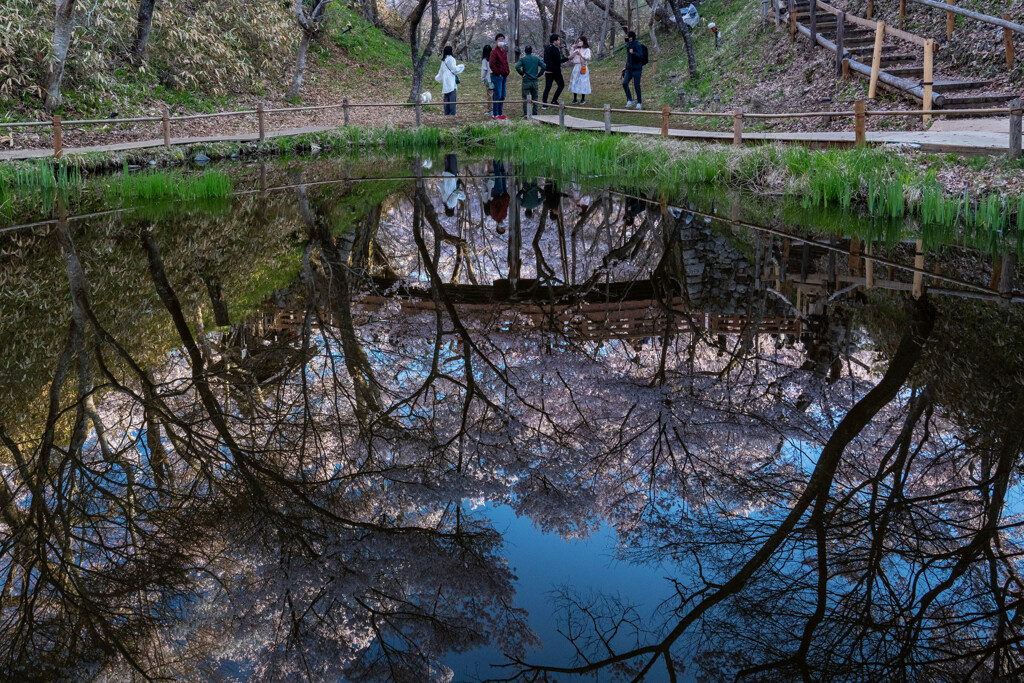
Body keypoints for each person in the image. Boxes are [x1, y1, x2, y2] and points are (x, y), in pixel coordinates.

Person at [514, 46, 546, 118]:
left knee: (525, 98)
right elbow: (544, 66)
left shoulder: (523, 59)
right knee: (535, 98)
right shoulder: (536, 58)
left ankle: (526, 114)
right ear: (532, 50)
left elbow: (517, 67)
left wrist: (522, 74)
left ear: (525, 51)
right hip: (534, 81)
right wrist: (539, 74)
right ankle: (535, 114)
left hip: (526, 81)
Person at [434, 45, 466, 116]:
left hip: (445, 79)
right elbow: (454, 69)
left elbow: (441, 71)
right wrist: (462, 66)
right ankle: (452, 113)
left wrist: (437, 78)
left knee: (446, 97)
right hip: (451, 79)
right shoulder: (451, 59)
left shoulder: (443, 60)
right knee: (452, 97)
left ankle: (446, 112)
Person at [542, 34, 568, 109]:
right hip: (555, 71)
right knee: (561, 85)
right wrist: (568, 58)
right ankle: (554, 100)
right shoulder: (555, 49)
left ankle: (544, 104)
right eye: (558, 40)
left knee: (547, 87)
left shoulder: (547, 48)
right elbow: (558, 61)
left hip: (548, 70)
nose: (559, 41)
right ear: (554, 41)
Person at [488, 34, 510, 120]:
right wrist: (498, 73)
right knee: (497, 94)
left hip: (504, 75)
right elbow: (492, 64)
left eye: (502, 39)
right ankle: (495, 114)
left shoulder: (504, 51)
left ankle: (500, 113)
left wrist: (507, 71)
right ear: (496, 41)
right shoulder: (494, 52)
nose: (501, 41)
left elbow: (505, 63)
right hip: (497, 76)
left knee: (503, 95)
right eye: (499, 39)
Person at [622, 30, 644, 110]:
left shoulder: (637, 44)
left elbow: (640, 56)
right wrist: (625, 66)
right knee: (624, 83)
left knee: (636, 85)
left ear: (631, 37)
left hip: (637, 68)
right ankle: (630, 100)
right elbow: (628, 57)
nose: (626, 38)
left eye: (627, 36)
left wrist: (633, 53)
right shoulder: (628, 44)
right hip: (629, 68)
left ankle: (639, 102)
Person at [568, 36, 592, 105]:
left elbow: (588, 58)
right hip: (576, 66)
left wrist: (581, 55)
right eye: (578, 41)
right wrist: (572, 48)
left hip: (583, 66)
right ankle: (575, 98)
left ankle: (583, 98)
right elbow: (571, 56)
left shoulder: (587, 49)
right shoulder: (577, 49)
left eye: (580, 41)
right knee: (575, 82)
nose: (579, 43)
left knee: (583, 82)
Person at [480, 45, 494, 113]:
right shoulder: (494, 58)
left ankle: (491, 109)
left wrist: (482, 79)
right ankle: (496, 108)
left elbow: (484, 70)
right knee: (495, 94)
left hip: (488, 79)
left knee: (489, 94)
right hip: (495, 78)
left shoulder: (485, 60)